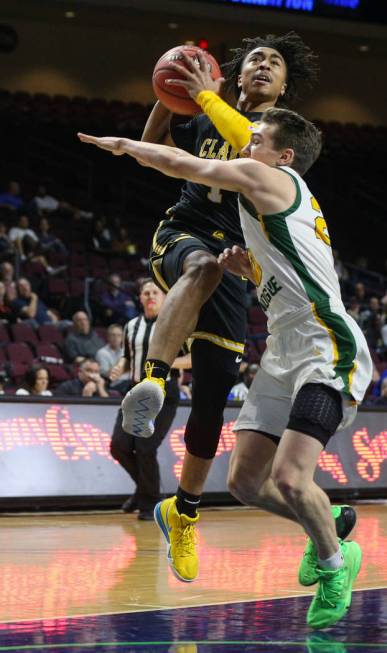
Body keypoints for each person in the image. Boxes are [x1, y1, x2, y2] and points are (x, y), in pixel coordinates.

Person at [78, 106, 372, 629]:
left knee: (290, 476)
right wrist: (252, 272)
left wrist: (126, 145)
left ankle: (335, 564)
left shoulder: (268, 176)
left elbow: (182, 164)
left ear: (283, 156)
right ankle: (326, 531)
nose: (244, 143)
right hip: (282, 350)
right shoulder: (267, 205)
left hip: (324, 344)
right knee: (244, 482)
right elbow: (289, 274)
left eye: (255, 138)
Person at [80, 32, 320, 584]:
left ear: (285, 86)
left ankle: (182, 511)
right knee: (202, 268)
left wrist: (206, 95)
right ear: (235, 75)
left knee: (213, 395)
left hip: (239, 260)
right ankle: (155, 380)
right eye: (255, 58)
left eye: (275, 63)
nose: (263, 65)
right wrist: (172, 88)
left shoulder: (278, 136)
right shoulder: (206, 115)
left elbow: (245, 135)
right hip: (185, 234)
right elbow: (155, 144)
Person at [109, 279, 191, 520]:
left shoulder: (176, 323)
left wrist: (168, 362)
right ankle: (145, 491)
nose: (150, 295)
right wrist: (119, 367)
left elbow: (192, 358)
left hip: (163, 392)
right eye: (145, 292)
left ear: (164, 297)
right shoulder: (131, 325)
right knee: (119, 446)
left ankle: (150, 503)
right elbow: (128, 357)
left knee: (145, 447)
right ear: (140, 297)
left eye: (155, 291)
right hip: (135, 389)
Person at [96, 323, 129, 392]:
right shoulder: (102, 353)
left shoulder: (124, 351)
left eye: (119, 335)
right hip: (112, 384)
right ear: (108, 337)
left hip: (128, 380)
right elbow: (108, 375)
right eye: (113, 335)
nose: (116, 338)